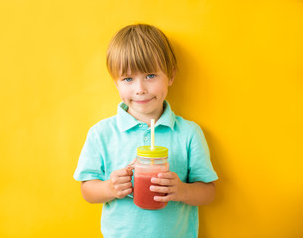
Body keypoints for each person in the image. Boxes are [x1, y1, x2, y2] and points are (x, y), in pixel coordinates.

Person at [74, 23, 218, 238]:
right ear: (116, 83)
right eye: (128, 79)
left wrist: (182, 190)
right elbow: (87, 190)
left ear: (170, 76)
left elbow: (208, 192)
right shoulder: (101, 134)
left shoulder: (189, 133)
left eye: (150, 75)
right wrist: (109, 189)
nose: (140, 88)